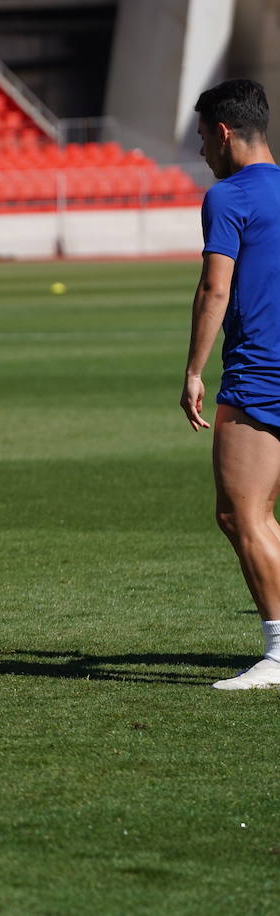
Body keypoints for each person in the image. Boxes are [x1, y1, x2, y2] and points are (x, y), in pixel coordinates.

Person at [181, 78, 280, 690]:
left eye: (200, 140)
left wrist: (193, 370)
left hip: (260, 374)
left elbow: (215, 288)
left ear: (223, 133)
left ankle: (278, 654)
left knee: (241, 512)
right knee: (256, 515)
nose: (200, 153)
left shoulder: (228, 196)